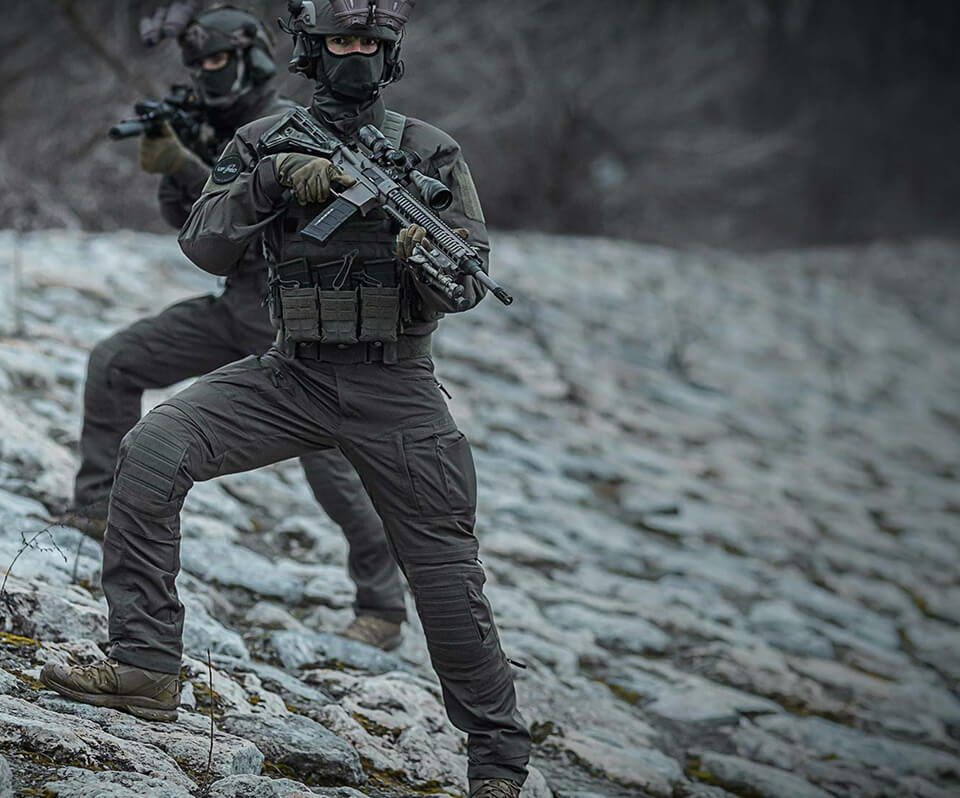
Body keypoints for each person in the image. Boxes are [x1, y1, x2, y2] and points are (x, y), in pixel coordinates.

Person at [42, 1, 531, 794]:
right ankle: (143, 667)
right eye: (343, 39)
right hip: (290, 372)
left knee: (445, 577)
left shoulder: (432, 153)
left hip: (395, 388)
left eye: (372, 42)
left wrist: (423, 259)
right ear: (311, 48)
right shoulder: (264, 140)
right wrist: (269, 181)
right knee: (153, 449)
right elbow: (204, 244)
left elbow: (469, 275)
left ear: (391, 53)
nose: (357, 54)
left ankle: (499, 758)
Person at [68, 3, 406, 649]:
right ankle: (98, 510)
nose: (207, 72)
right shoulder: (217, 119)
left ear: (251, 55)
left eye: (218, 60)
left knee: (331, 465)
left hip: (293, 317)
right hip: (235, 305)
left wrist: (187, 166)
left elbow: (273, 226)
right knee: (115, 362)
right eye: (198, 63)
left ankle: (382, 606)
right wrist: (174, 162)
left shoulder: (287, 125)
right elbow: (193, 231)